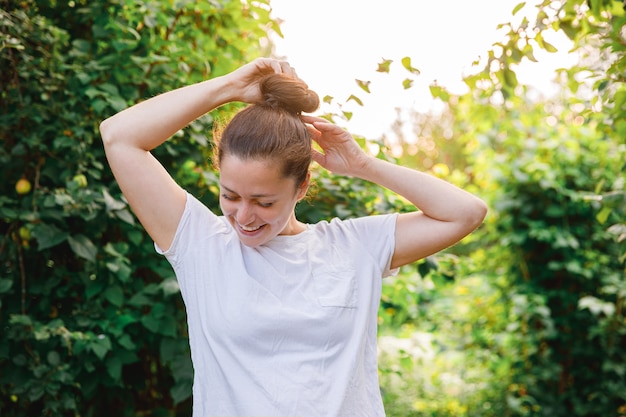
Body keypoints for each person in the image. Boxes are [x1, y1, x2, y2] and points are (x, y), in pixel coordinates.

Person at [100, 57, 487, 417]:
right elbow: (119, 136)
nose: (244, 216)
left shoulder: (354, 247)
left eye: (264, 202)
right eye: (230, 196)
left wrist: (363, 165)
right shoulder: (200, 245)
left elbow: (465, 213)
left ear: (301, 187)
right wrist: (231, 87)